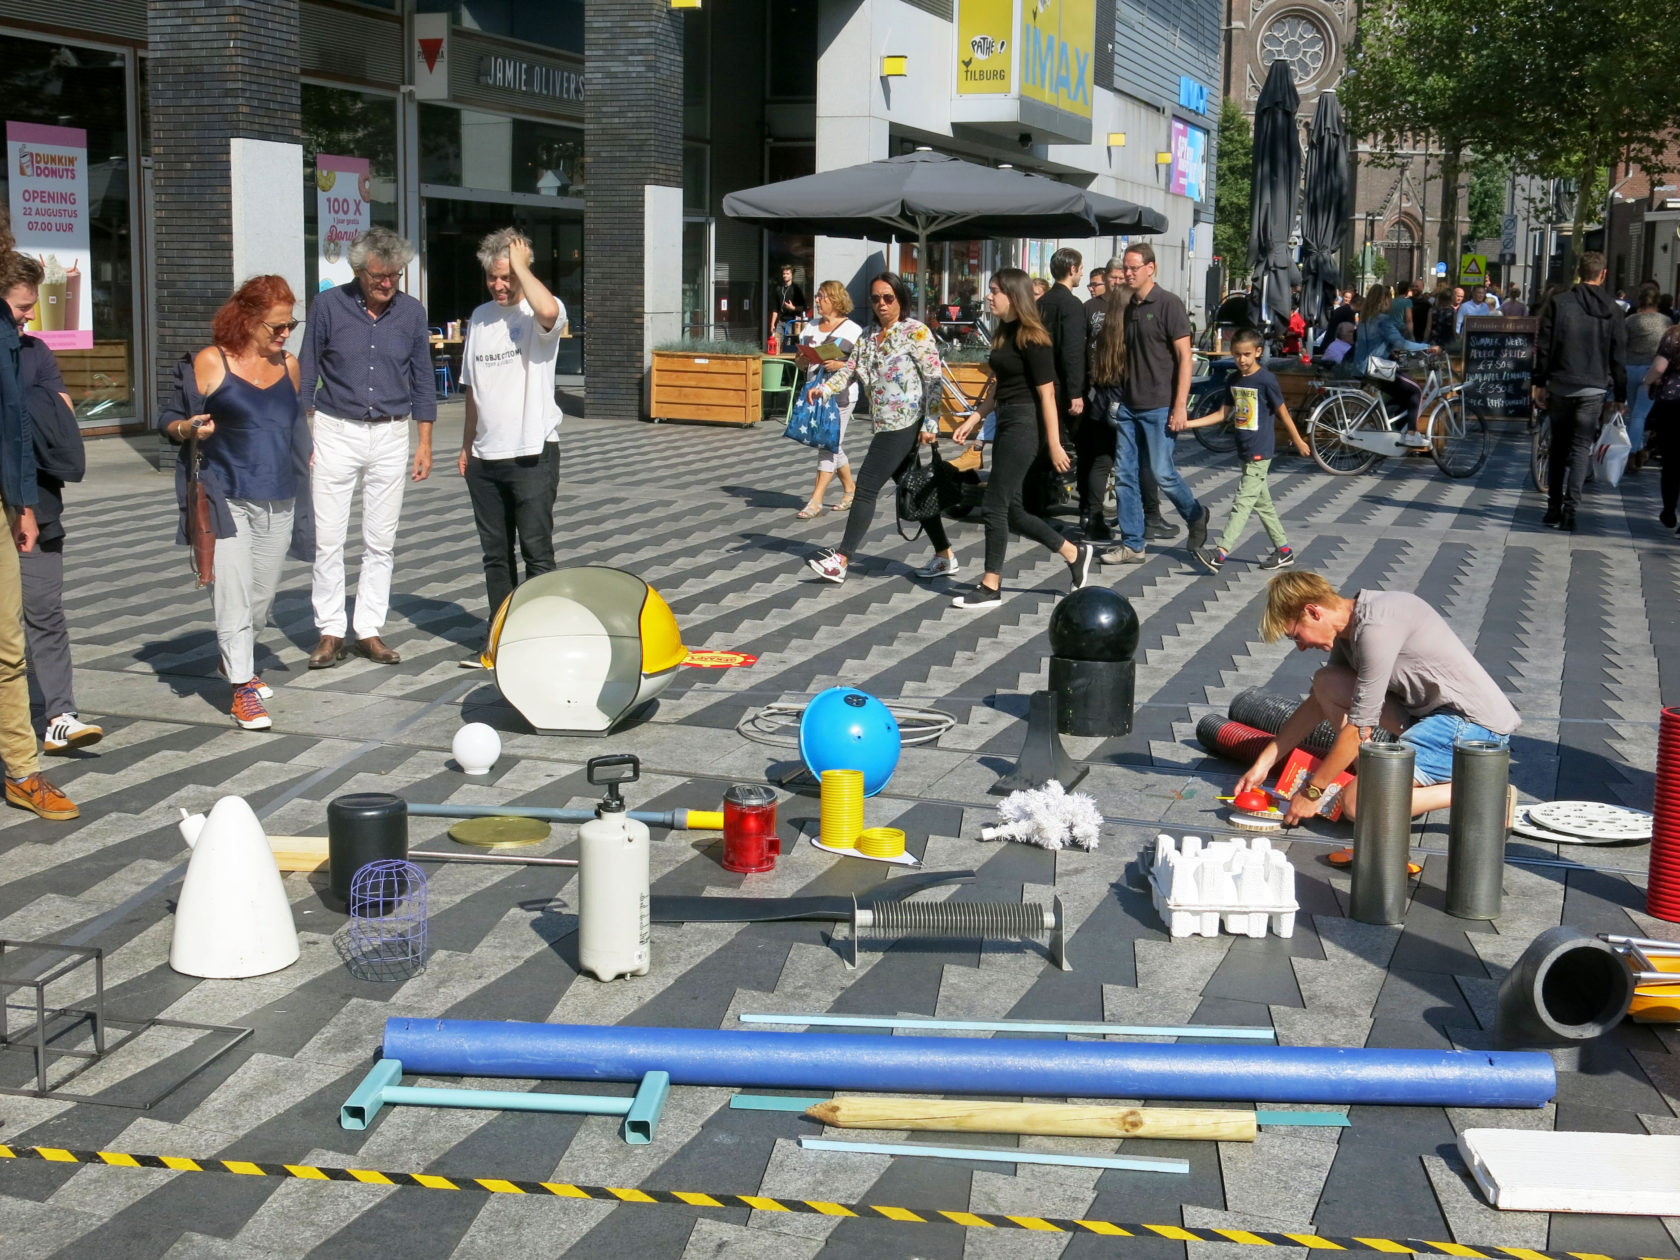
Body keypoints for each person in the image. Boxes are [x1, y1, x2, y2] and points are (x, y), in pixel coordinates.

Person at [1237, 571, 1519, 827]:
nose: (1300, 647)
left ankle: (1486, 790)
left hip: (1471, 727)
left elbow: (1360, 728)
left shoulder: (1377, 627)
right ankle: (1385, 782)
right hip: (1432, 718)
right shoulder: (1349, 629)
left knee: (1358, 804)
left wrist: (1313, 791)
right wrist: (1265, 761)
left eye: (1296, 636)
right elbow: (1318, 703)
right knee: (1326, 682)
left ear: (1313, 612)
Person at [161, 275, 306, 733]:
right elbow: (169, 419)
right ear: (247, 320)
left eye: (290, 325)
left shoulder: (290, 365)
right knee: (232, 593)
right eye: (276, 326)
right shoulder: (212, 361)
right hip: (222, 494)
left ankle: (233, 659)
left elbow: (294, 427)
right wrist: (188, 428)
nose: (285, 334)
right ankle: (242, 686)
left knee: (261, 596)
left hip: (278, 494)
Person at [298, 227, 434, 670]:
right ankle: (330, 630)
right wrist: (301, 433)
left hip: (391, 434)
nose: (387, 283)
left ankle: (369, 629)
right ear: (359, 271)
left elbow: (424, 378)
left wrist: (424, 441)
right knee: (328, 538)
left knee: (381, 540)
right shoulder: (328, 306)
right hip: (335, 429)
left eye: (395, 275)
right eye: (379, 276)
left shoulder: (411, 313)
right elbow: (307, 368)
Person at [947, 268, 1093, 609]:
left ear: (1014, 295)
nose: (988, 296)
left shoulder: (1034, 338)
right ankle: (1073, 552)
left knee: (994, 505)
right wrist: (975, 417)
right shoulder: (1005, 332)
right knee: (1011, 509)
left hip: (1026, 424)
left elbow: (1047, 394)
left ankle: (990, 586)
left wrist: (1054, 444)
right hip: (1007, 419)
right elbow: (1001, 384)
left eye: (995, 290)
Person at [1, 254, 98, 753]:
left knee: (44, 609)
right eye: (21, 307)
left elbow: (62, 421)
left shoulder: (35, 352)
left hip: (38, 502)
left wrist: (22, 410)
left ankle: (60, 714)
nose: (28, 316)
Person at [804, 271, 957, 584]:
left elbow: (933, 379)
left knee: (866, 486)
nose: (882, 304)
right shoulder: (869, 335)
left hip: (905, 422)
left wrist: (931, 422)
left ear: (900, 298)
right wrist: (825, 389)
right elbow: (849, 369)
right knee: (913, 488)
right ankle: (945, 554)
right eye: (875, 298)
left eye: (888, 297)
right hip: (882, 422)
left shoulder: (916, 331)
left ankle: (841, 559)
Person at [0, 225, 76, 818]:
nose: (29, 317)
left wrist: (23, 503)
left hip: (13, 499)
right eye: (23, 306)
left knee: (14, 640)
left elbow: (19, 430)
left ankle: (25, 766)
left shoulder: (24, 348)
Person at [458, 229, 565, 643]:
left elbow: (548, 311)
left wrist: (521, 265)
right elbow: (474, 389)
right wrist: (467, 445)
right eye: (492, 277)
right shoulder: (480, 317)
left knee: (537, 552)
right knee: (495, 556)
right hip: (485, 458)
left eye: (507, 277)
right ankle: (501, 637)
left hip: (532, 453)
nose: (499, 285)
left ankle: (540, 638)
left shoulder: (538, 312)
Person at [1098, 244, 1210, 565]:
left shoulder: (1168, 304)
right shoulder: (1128, 307)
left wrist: (1180, 405)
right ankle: (1133, 544)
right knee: (1125, 476)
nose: (1128, 273)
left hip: (1160, 405)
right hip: (1129, 405)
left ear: (1151, 268)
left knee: (1162, 472)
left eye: (1134, 268)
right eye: (1126, 268)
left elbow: (1185, 358)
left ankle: (1195, 514)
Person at [1179, 328, 1309, 574]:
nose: (1242, 360)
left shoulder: (1266, 379)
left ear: (1258, 352)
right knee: (1263, 504)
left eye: (1247, 354)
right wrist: (1189, 423)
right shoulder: (1234, 380)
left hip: (1260, 449)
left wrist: (1298, 440)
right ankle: (1284, 551)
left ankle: (1220, 553)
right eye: (1237, 354)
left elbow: (1282, 411)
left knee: (1243, 502)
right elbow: (1222, 414)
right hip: (1245, 449)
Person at [1532, 250, 1626, 533]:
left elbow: (1545, 346)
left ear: (1578, 271)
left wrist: (1540, 382)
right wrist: (1621, 395)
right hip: (1594, 386)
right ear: (1603, 274)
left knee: (1558, 447)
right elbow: (1618, 355)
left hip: (1562, 383)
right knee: (1581, 447)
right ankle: (1571, 511)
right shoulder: (1614, 309)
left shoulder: (1559, 302)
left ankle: (1552, 508)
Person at [794, 280, 862, 518]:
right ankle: (851, 490)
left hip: (841, 395)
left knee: (827, 445)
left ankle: (816, 500)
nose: (817, 300)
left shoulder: (853, 330)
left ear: (835, 299)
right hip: (814, 392)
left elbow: (862, 366)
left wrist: (839, 365)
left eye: (822, 296)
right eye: (817, 296)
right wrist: (802, 360)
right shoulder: (810, 327)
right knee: (834, 444)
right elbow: (799, 362)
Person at [1342, 284, 1434, 447]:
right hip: (1377, 369)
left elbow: (1373, 344)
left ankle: (1379, 425)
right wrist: (1428, 347)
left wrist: (1390, 350)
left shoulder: (1365, 320)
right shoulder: (1383, 321)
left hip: (1363, 368)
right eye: (1389, 299)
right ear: (1384, 300)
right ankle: (1412, 434)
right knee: (1416, 390)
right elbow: (1402, 343)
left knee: (1402, 395)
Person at [1039, 247, 1089, 527]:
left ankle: (1038, 497)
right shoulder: (1071, 304)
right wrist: (1076, 392)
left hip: (1042, 382)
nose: (1082, 273)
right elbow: (1072, 352)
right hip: (1061, 386)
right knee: (1079, 445)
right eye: (1081, 269)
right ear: (1072, 269)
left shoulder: (1042, 302)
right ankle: (1085, 505)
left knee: (1045, 441)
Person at [1623, 282, 1665, 470]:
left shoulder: (1630, 321)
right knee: (1641, 414)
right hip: (1652, 370)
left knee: (1634, 413)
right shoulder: (1665, 322)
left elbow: (1622, 345)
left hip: (1630, 368)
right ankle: (1633, 453)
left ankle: (1638, 451)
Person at [1642, 319, 1680, 530]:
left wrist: (1647, 381)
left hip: (1672, 405)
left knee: (1671, 462)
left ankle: (1669, 509)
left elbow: (1659, 367)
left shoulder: (1674, 335)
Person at [771, 265, 806, 347]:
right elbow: (775, 308)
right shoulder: (779, 288)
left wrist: (793, 308)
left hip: (792, 321)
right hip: (781, 321)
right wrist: (772, 324)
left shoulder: (796, 289)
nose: (785, 275)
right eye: (784, 274)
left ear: (792, 275)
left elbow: (803, 307)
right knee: (777, 342)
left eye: (787, 274)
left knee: (789, 344)